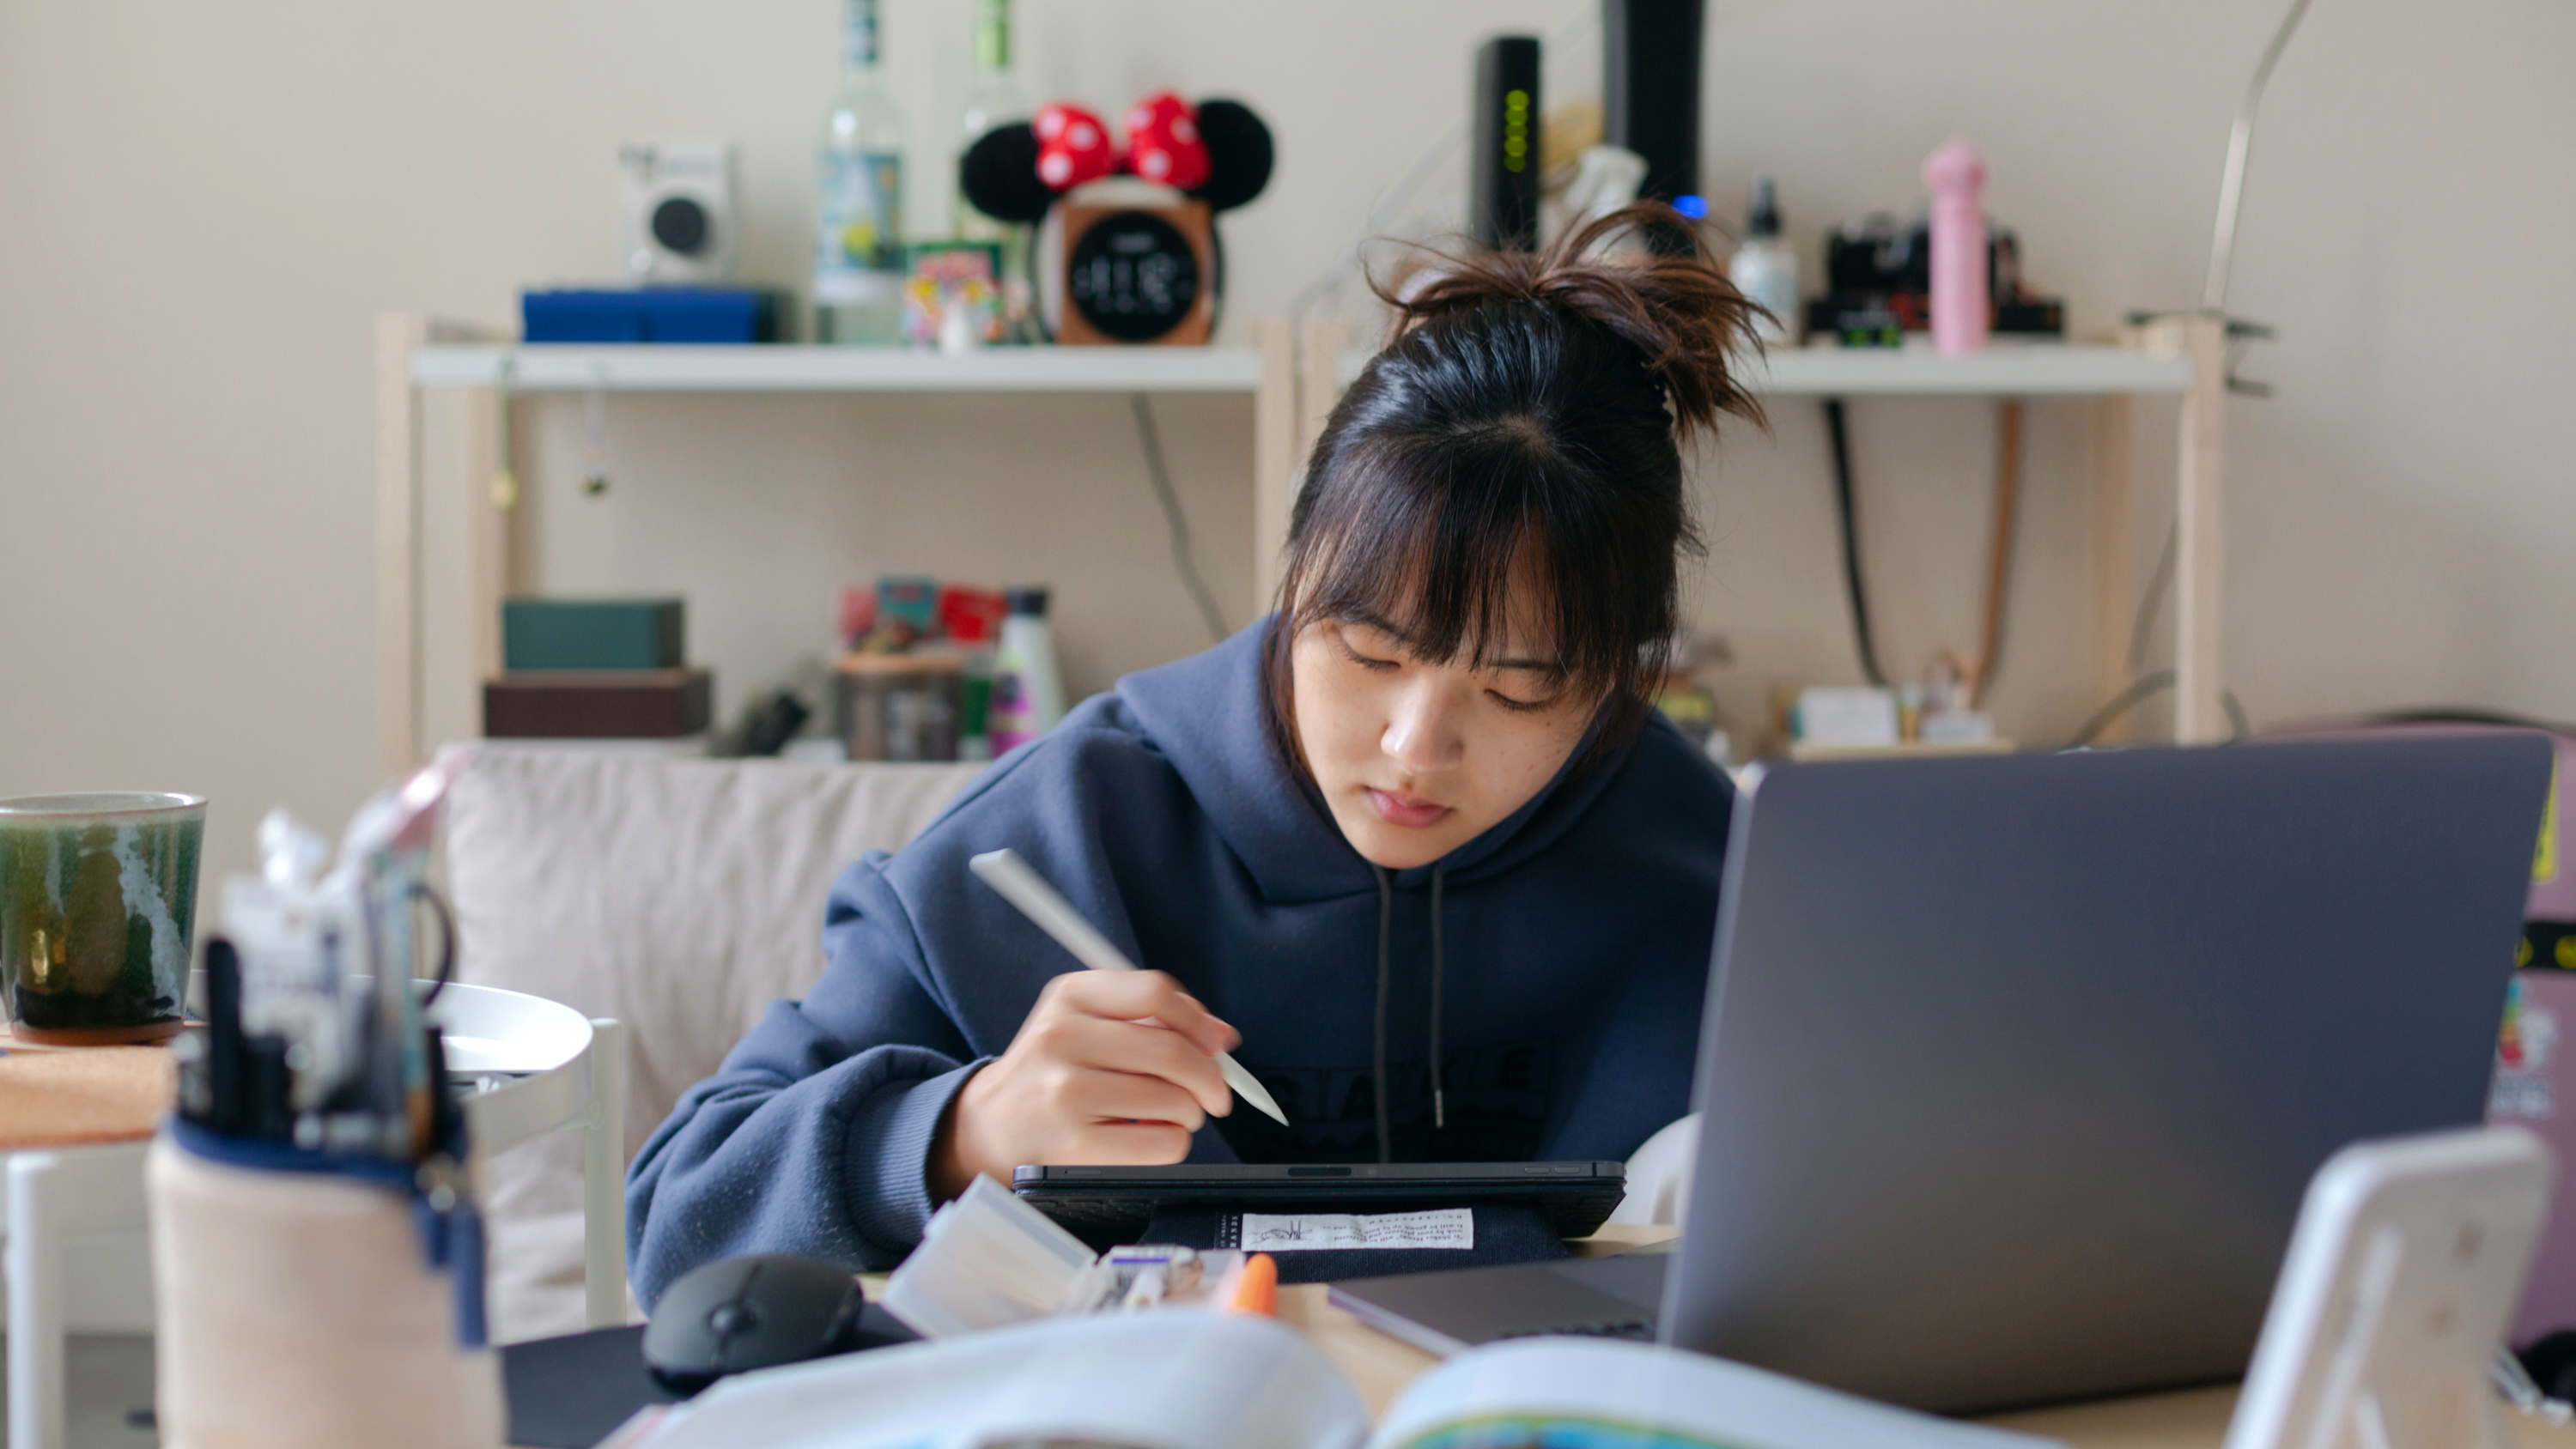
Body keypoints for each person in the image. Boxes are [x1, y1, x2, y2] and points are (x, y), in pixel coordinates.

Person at [626, 203, 1766, 1303]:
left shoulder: (1700, 857)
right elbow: (673, 1218)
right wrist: (963, 1131)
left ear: (1620, 675)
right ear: (1292, 578)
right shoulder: (1065, 831)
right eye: (1368, 650)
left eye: (1520, 688)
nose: (1416, 748)